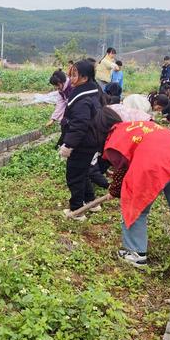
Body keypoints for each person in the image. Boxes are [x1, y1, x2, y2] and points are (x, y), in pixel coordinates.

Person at [95, 107, 170, 271]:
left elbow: (121, 169)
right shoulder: (137, 125)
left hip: (153, 164)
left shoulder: (115, 136)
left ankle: (135, 253)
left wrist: (115, 191)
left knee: (135, 206)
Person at [58, 60, 103, 220]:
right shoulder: (91, 91)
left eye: (74, 74)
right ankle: (91, 202)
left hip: (83, 144)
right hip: (90, 142)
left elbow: (79, 125)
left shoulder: (83, 99)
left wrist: (69, 145)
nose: (71, 77)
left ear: (84, 78)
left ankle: (77, 210)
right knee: (83, 173)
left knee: (75, 175)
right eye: (70, 73)